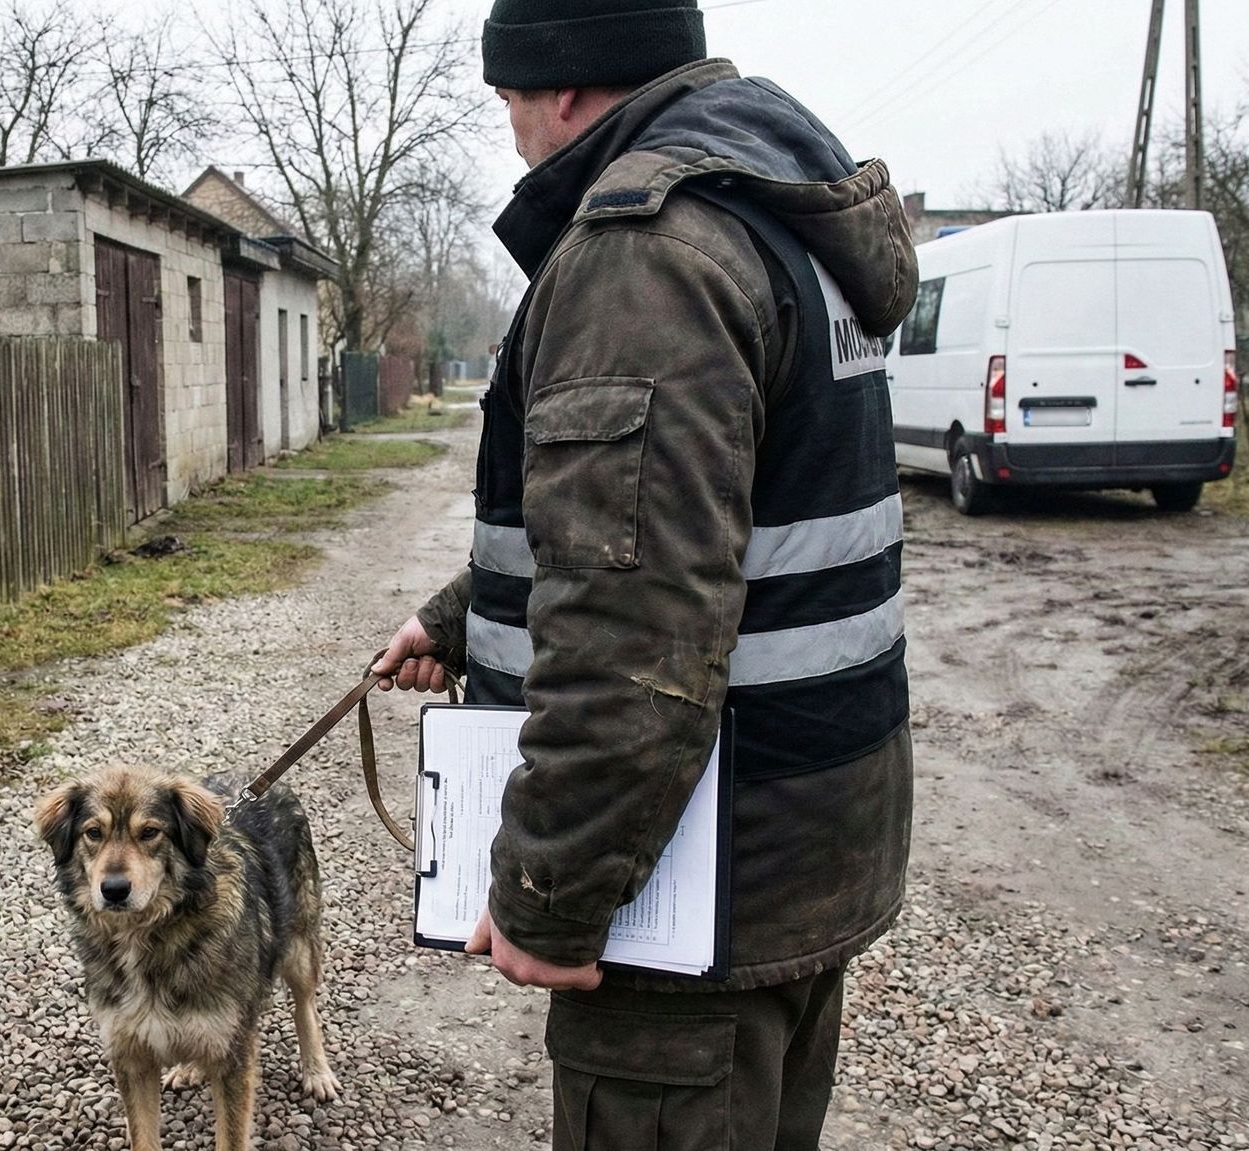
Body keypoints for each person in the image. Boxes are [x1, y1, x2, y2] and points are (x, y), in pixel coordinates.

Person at [374, 1, 918, 1146]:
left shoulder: (645, 255)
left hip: (703, 880)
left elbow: (638, 627)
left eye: (510, 101)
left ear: (563, 90)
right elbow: (705, 523)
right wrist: (459, 615)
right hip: (806, 833)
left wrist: (551, 896)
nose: (514, 130)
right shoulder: (768, 213)